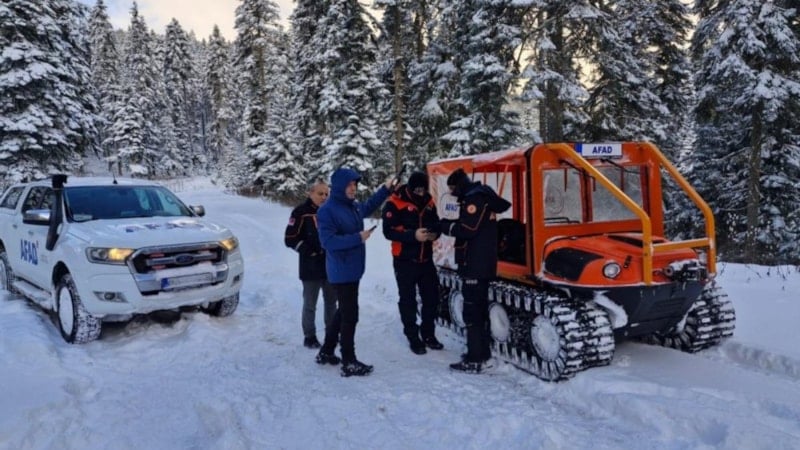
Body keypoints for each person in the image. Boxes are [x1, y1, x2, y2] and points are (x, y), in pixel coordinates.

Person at [315, 167, 395, 377]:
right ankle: (348, 361)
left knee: (344, 312)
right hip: (341, 271)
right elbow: (327, 241)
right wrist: (358, 238)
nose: (354, 189)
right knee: (351, 315)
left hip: (353, 269)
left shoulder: (351, 207)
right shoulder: (327, 210)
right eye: (350, 185)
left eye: (355, 185)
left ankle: (326, 351)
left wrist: (385, 189)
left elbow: (369, 205)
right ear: (340, 187)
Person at [439, 168, 511, 374]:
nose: (452, 192)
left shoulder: (474, 199)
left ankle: (474, 358)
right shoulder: (481, 195)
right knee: (478, 309)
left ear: (460, 184)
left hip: (475, 264)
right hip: (481, 262)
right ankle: (481, 352)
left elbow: (467, 230)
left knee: (472, 311)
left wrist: (445, 226)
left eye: (453, 188)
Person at [382, 171, 444, 355]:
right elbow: (388, 232)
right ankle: (412, 335)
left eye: (423, 189)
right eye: (417, 189)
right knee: (408, 299)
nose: (420, 193)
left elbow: (436, 224)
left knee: (432, 298)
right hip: (404, 260)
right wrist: (412, 235)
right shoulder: (395, 202)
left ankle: (428, 333)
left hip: (426, 258)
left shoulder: (429, 201)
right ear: (410, 188)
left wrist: (434, 234)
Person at [284, 180, 336, 349]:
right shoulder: (300, 212)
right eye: (320, 193)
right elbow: (290, 239)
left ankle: (332, 333)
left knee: (331, 303)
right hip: (310, 266)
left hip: (330, 266)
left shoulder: (331, 211)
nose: (323, 197)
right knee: (310, 304)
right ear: (310, 193)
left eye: (326, 194)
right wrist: (308, 250)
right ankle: (310, 336)